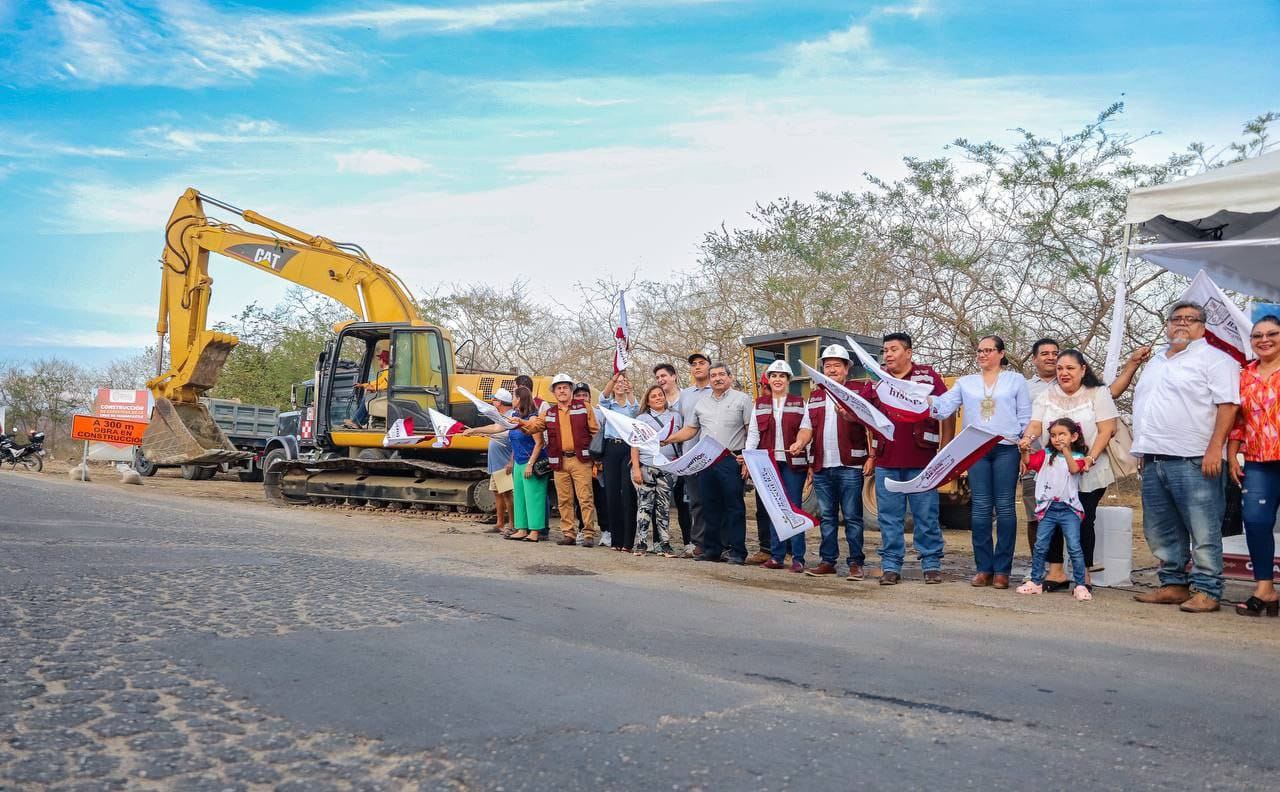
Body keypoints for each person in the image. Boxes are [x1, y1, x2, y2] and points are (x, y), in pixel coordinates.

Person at [1131, 301, 1240, 613]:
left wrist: (1214, 448)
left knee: (1203, 529)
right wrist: (1144, 447)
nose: (1181, 324)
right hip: (1154, 457)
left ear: (1203, 327)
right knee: (1161, 528)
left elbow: (1228, 406)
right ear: (1167, 325)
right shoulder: (1156, 361)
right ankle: (1173, 584)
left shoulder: (1216, 360)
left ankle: (1208, 590)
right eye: (1175, 319)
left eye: (1190, 320)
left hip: (1194, 458)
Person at [931, 335, 1031, 589]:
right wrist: (921, 397)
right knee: (981, 508)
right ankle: (984, 568)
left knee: (1006, 507)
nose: (983, 355)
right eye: (979, 351)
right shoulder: (966, 383)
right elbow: (943, 408)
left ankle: (1003, 571)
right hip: (976, 449)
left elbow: (1025, 415)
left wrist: (1024, 444)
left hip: (1006, 447)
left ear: (1001, 353)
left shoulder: (1015, 380)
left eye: (988, 350)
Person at [1017, 350, 1118, 589]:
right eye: (1060, 368)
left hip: (1090, 468)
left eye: (1070, 368)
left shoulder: (1098, 392)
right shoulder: (1046, 395)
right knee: (1049, 516)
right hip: (1053, 470)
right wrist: (1027, 439)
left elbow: (1107, 429)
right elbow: (1035, 423)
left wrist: (1090, 458)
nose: (1064, 373)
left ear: (1083, 370)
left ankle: (1083, 575)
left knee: (1083, 519)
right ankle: (1056, 572)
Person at [870, 332, 953, 585]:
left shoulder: (927, 377)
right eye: (885, 351)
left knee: (926, 514)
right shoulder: (878, 379)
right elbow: (864, 415)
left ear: (908, 353)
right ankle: (891, 566)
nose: (888, 355)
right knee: (889, 517)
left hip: (922, 460)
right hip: (887, 461)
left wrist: (946, 446)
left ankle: (931, 564)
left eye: (893, 349)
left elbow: (947, 409)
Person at [663, 362, 753, 564]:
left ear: (729, 377)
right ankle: (712, 549)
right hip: (706, 460)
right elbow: (691, 430)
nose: (718, 378)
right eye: (714, 375)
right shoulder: (701, 402)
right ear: (709, 379)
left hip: (732, 460)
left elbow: (750, 431)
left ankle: (737, 551)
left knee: (734, 506)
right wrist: (668, 439)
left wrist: (748, 457)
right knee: (709, 505)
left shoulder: (742, 399)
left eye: (722, 374)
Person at [802, 344, 875, 579]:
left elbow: (872, 425)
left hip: (850, 466)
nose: (831, 370)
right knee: (827, 518)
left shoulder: (858, 392)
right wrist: (799, 443)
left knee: (853, 517)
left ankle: (856, 563)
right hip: (823, 466)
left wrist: (872, 456)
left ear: (847, 369)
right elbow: (806, 428)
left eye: (836, 365)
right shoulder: (814, 396)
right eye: (827, 365)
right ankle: (827, 561)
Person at [1229, 315, 1280, 617]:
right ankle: (1265, 588)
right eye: (1257, 335)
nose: (1264, 340)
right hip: (1259, 460)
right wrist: (1232, 455)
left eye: (1272, 334)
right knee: (1256, 521)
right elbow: (1238, 421)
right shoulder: (1244, 376)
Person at [517, 373, 600, 547]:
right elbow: (534, 427)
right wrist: (520, 423)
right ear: (554, 392)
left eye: (565, 388)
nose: (562, 391)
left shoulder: (585, 407)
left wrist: (597, 460)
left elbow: (595, 433)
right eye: (558, 388)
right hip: (559, 461)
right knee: (564, 499)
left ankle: (588, 534)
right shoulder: (549, 413)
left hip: (581, 460)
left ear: (571, 390)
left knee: (585, 498)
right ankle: (568, 534)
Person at [745, 360, 812, 572]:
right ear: (769, 380)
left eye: (782, 376)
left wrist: (808, 461)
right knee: (775, 510)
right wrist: (748, 458)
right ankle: (777, 555)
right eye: (773, 376)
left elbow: (807, 431)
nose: (777, 379)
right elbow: (754, 434)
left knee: (793, 509)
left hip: (794, 465)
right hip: (768, 464)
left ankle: (798, 557)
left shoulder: (801, 403)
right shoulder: (760, 404)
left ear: (788, 380)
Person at [1017, 418, 1093, 601]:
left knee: (1074, 546)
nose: (1057, 438)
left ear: (1074, 436)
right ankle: (1035, 581)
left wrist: (1065, 450)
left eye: (1062, 435)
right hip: (1048, 508)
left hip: (1069, 509)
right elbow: (1029, 464)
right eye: (1053, 435)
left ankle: (1081, 584)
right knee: (1041, 545)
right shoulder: (1044, 454)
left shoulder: (1079, 457)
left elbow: (1074, 469)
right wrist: (1024, 451)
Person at [631, 384, 683, 557]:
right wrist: (636, 468)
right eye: (653, 396)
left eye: (660, 395)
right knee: (644, 505)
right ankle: (641, 543)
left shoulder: (675, 417)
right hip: (647, 466)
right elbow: (635, 445)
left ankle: (664, 543)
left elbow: (681, 441)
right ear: (648, 400)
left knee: (663, 507)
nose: (658, 398)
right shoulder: (641, 419)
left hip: (668, 467)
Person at [1021, 338, 1059, 556]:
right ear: (1034, 359)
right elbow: (1020, 421)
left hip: (1065, 461)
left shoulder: (1068, 383)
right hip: (1033, 460)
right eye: (1045, 353)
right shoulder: (1024, 387)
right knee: (1034, 515)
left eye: (1055, 353)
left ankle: (1061, 567)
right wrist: (1022, 454)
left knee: (1064, 515)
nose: (1051, 357)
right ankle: (1037, 566)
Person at [461, 388, 516, 533]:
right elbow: (493, 428)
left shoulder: (510, 418)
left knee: (507, 493)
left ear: (499, 403)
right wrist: (477, 431)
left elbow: (498, 430)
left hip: (504, 462)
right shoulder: (501, 416)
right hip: (496, 462)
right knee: (497, 492)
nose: (492, 402)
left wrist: (475, 430)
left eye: (494, 400)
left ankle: (512, 523)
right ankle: (499, 523)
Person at [678, 351, 713, 557]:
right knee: (697, 502)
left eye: (701, 363)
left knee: (716, 501)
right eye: (694, 364)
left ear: (709, 366)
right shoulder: (685, 394)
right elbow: (683, 424)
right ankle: (699, 543)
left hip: (712, 454)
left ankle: (721, 543)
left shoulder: (717, 389)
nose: (697, 367)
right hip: (690, 455)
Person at [653, 362, 693, 545]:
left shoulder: (687, 397)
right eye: (658, 377)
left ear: (674, 376)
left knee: (685, 503)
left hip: (685, 456)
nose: (661, 380)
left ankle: (689, 543)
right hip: (662, 459)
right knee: (660, 502)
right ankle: (660, 541)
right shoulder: (657, 400)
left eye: (664, 376)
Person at [600, 372, 641, 552]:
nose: (619, 385)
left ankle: (628, 541)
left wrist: (629, 389)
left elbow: (635, 409)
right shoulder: (608, 405)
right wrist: (614, 378)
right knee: (612, 493)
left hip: (628, 449)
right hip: (610, 449)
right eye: (617, 382)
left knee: (628, 494)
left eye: (623, 382)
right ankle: (616, 539)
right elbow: (603, 396)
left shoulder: (632, 406)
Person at [504, 386, 548, 541]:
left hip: (532, 462)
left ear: (520, 399)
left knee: (533, 496)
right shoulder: (514, 416)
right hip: (518, 461)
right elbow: (498, 427)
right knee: (520, 496)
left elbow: (539, 442)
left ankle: (535, 531)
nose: (512, 400)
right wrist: (475, 431)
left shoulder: (532, 418)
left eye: (513, 397)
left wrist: (530, 464)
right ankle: (521, 528)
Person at [574, 381, 610, 545]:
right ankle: (583, 528)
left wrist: (600, 460)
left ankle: (606, 531)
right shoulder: (569, 413)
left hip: (596, 462)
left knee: (601, 498)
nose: (582, 398)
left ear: (589, 397)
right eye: (578, 395)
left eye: (584, 395)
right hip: (577, 462)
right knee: (580, 498)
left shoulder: (599, 413)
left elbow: (604, 436)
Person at [347, 347, 390, 428]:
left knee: (367, 399)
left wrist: (373, 388)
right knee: (367, 398)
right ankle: (358, 421)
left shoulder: (387, 372)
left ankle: (356, 422)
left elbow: (385, 385)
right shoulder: (385, 371)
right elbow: (377, 382)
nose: (379, 361)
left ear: (383, 360)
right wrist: (362, 385)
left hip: (385, 396)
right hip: (384, 394)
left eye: (379, 359)